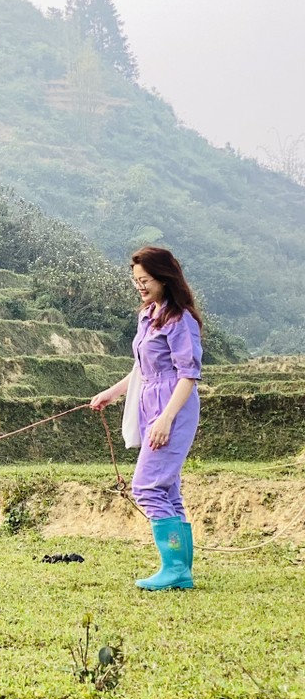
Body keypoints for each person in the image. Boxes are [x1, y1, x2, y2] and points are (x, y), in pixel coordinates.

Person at [90, 246, 202, 591]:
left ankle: (174, 569)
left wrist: (166, 419)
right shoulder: (149, 314)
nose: (140, 286)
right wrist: (113, 392)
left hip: (173, 406)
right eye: (136, 281)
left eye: (146, 280)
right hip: (149, 400)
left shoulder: (180, 319)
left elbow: (188, 374)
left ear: (164, 278)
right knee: (167, 488)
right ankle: (180, 569)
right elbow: (143, 367)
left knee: (146, 486)